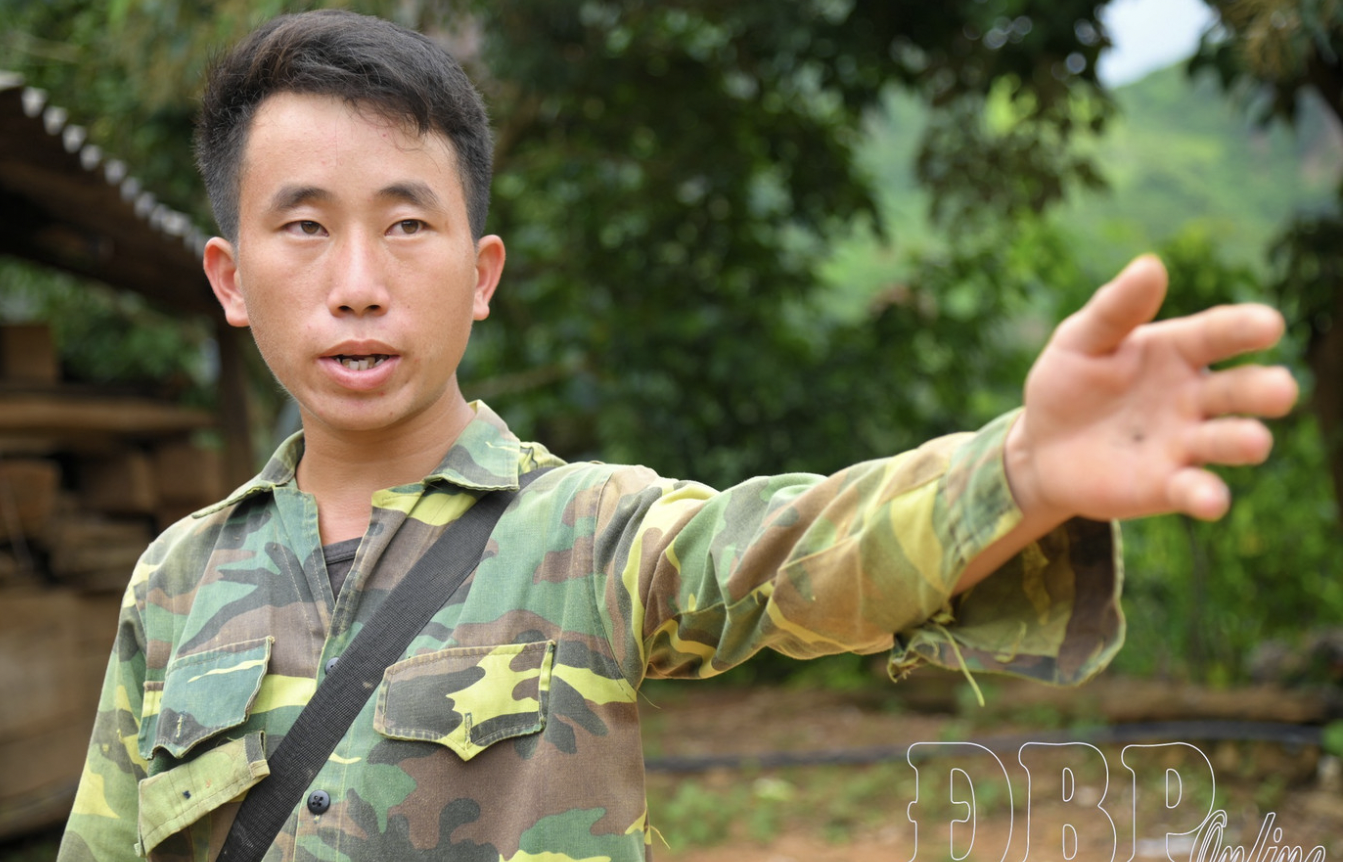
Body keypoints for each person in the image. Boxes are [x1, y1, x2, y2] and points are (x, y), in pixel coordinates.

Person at [57, 9, 1299, 862]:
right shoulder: (178, 579)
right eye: (304, 227)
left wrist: (1014, 473)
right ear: (229, 276)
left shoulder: (586, 535)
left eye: (407, 224)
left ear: (481, 274)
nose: (357, 285)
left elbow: (786, 553)